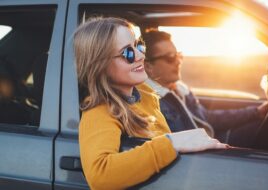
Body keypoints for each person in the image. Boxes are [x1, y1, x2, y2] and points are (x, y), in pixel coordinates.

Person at [74, 17, 228, 190]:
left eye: (139, 46)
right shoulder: (100, 110)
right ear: (101, 65)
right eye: (128, 53)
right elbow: (99, 174)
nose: (140, 56)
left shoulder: (146, 96)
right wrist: (172, 143)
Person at [143, 30, 268, 146]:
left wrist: (256, 113)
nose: (178, 62)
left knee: (262, 126)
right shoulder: (153, 103)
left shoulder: (179, 89)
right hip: (204, 154)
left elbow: (207, 118)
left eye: (178, 55)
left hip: (211, 141)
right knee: (267, 133)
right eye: (170, 57)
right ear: (149, 67)